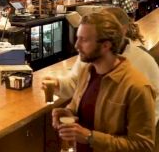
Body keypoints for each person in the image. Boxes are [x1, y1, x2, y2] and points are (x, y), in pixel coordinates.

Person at [51, 12, 156, 152]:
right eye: (77, 38)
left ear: (106, 46)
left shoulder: (137, 87)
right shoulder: (87, 71)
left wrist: (90, 137)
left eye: (84, 40)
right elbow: (77, 106)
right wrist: (67, 113)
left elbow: (143, 146)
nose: (76, 45)